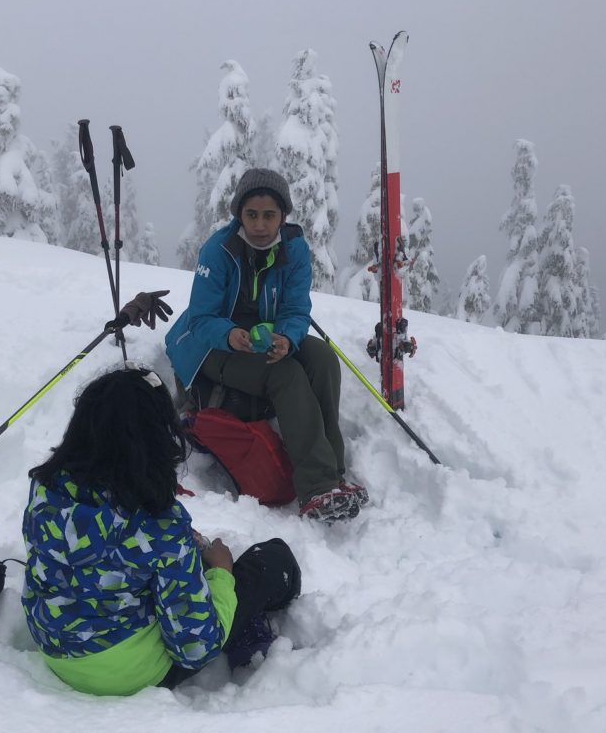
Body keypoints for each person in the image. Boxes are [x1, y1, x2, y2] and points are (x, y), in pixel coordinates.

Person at [22, 365, 301, 696]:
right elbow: (196, 646)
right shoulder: (159, 528)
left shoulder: (47, 488)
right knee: (274, 560)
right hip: (127, 673)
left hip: (55, 650)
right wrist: (222, 573)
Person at [165, 168, 370, 522]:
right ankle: (316, 487)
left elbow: (295, 309)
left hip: (263, 336)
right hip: (210, 346)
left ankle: (333, 473)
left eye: (269, 215)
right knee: (285, 374)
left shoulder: (294, 250)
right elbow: (200, 318)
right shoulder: (218, 250)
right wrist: (229, 335)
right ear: (239, 215)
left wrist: (288, 338)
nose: (260, 225)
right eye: (252, 215)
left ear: (283, 216)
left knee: (322, 357)